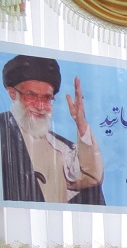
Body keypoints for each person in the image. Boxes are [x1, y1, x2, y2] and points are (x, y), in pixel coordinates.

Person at [0, 54, 105, 204]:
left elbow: (91, 177)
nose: (40, 106)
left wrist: (81, 125)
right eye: (31, 96)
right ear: (12, 94)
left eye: (46, 98)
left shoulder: (59, 148)